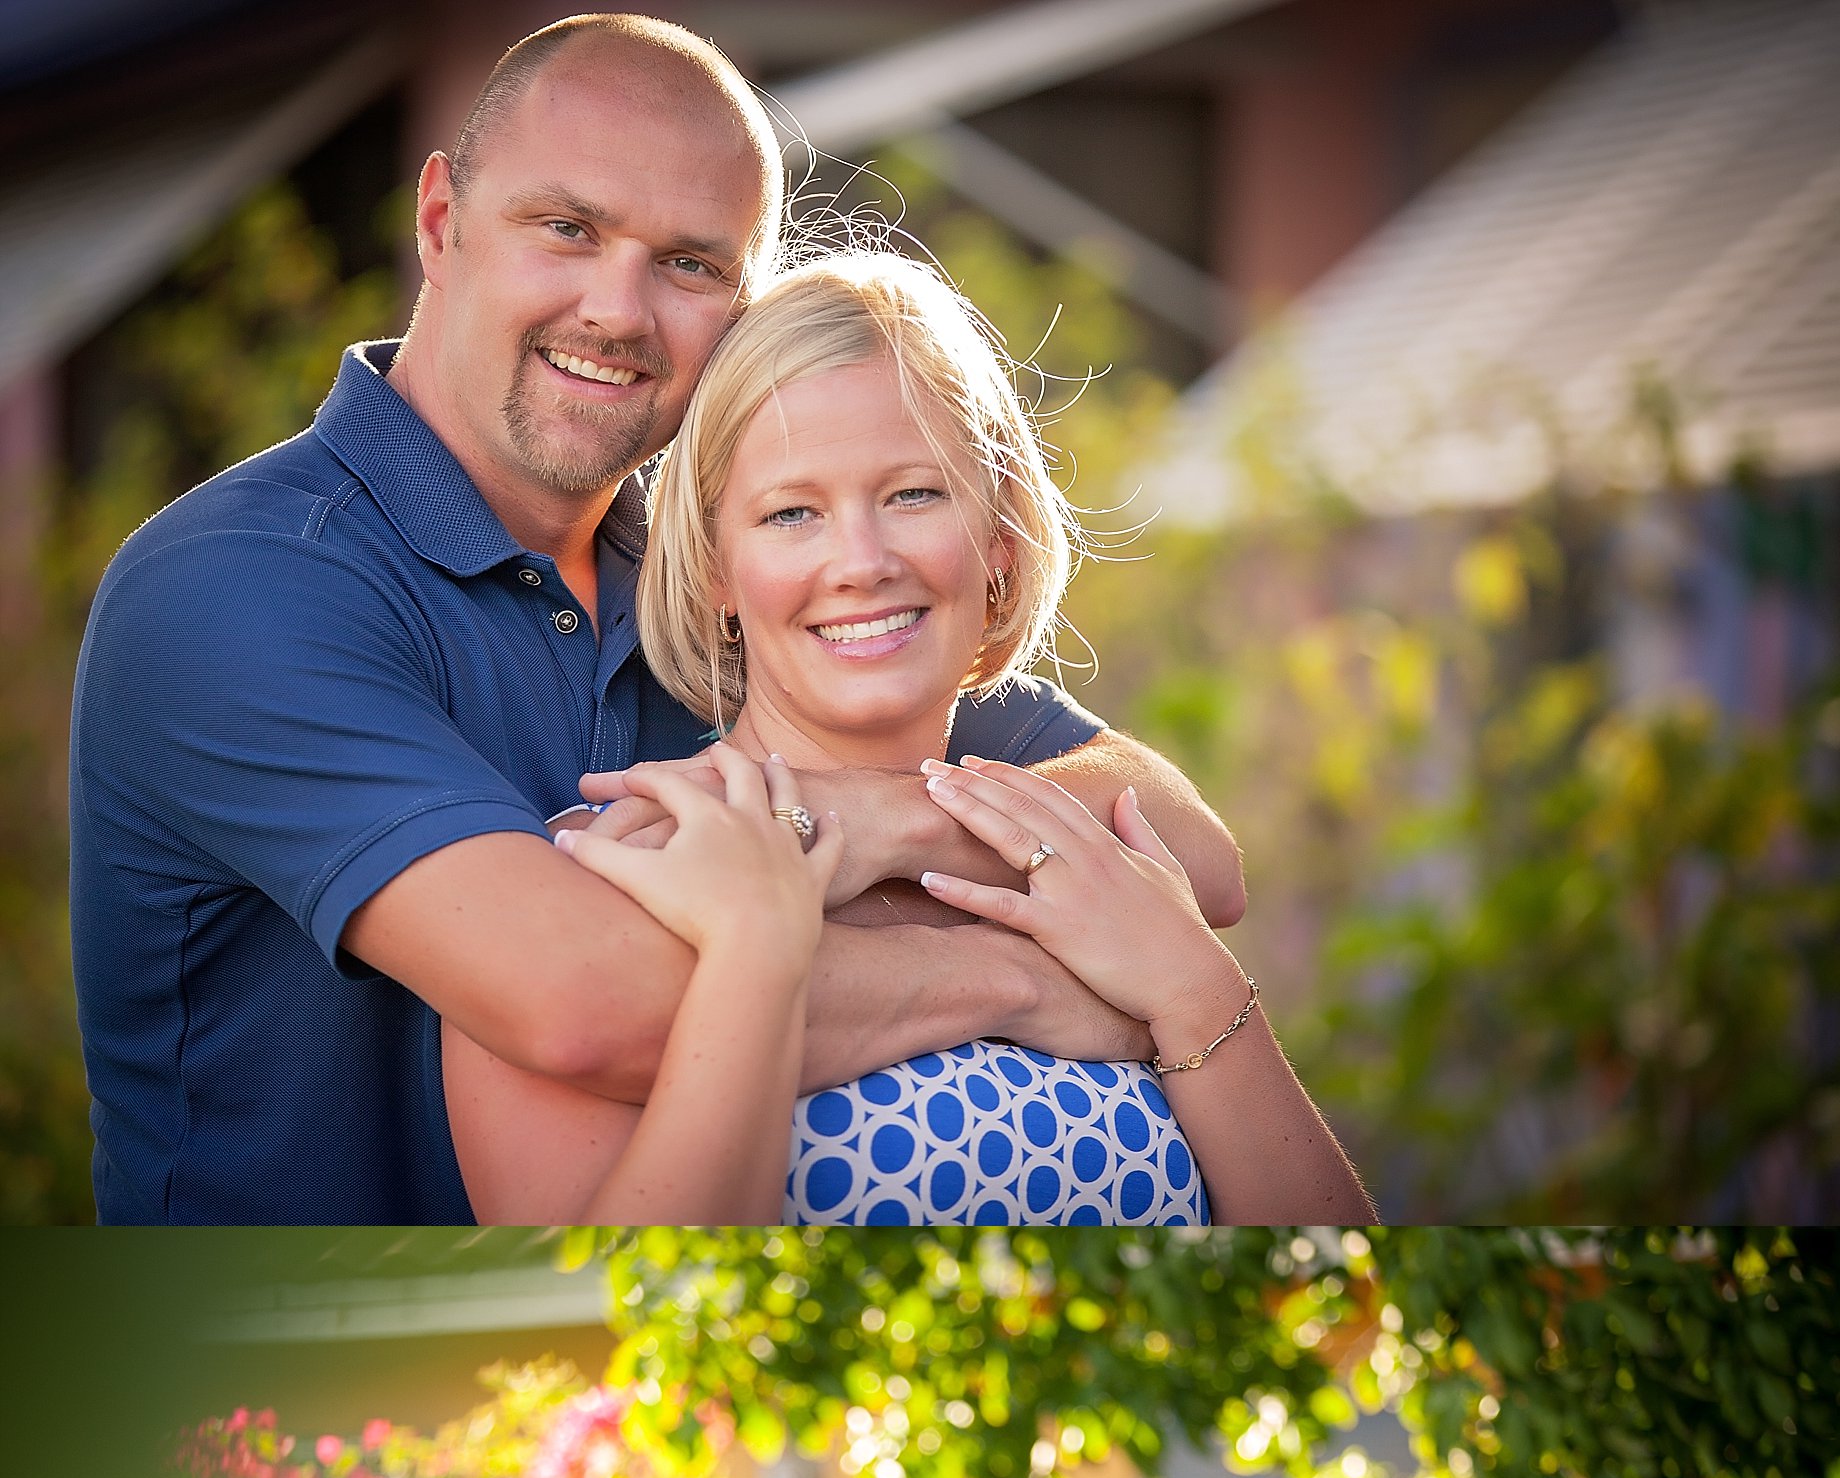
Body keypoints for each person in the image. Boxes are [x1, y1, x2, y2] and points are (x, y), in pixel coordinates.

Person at [69, 12, 1246, 1224]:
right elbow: (586, 1005)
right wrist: (1024, 978)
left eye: (689, 262)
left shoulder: (734, 581)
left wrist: (856, 814)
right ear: (440, 222)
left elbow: (1182, 847)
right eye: (567, 229)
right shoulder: (234, 584)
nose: (619, 311)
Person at [453, 251, 1372, 1225]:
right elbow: (605, 1325)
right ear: (718, 569)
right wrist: (1012, 983)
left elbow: (1335, 1274)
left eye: (912, 495)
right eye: (792, 512)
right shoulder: (602, 876)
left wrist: (1193, 990)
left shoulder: (1095, 863)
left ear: (999, 546)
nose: (860, 560)